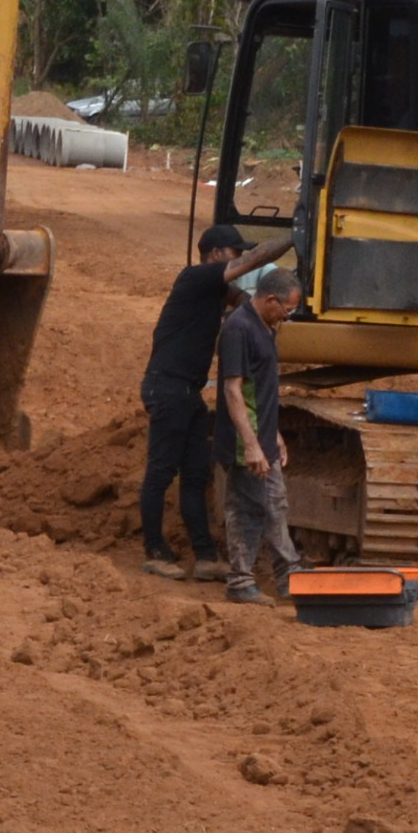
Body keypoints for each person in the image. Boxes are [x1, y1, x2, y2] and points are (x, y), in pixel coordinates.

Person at [140, 222, 293, 576]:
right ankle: (155, 552)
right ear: (214, 256)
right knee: (160, 472)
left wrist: (257, 306)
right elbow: (256, 260)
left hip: (188, 390)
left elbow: (241, 301)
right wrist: (295, 236)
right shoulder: (195, 277)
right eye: (233, 254)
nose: (240, 260)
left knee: (195, 475)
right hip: (167, 386)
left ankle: (206, 557)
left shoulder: (212, 291)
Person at [217, 263, 304, 604]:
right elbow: (233, 391)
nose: (288, 316)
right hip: (244, 442)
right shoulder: (239, 329)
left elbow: (262, 390)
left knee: (262, 507)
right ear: (270, 300)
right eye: (287, 309)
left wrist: (274, 432)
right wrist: (252, 445)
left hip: (262, 436)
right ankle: (263, 580)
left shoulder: (266, 327)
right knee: (260, 507)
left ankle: (265, 578)